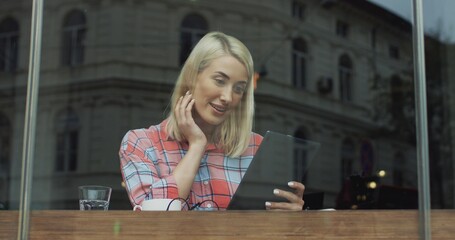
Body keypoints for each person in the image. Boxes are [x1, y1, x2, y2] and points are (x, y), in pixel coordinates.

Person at [119, 31, 305, 210]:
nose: (228, 97)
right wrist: (197, 145)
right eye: (219, 80)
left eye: (239, 88)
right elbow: (153, 221)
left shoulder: (257, 148)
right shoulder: (141, 143)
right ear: (192, 78)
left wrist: (290, 216)